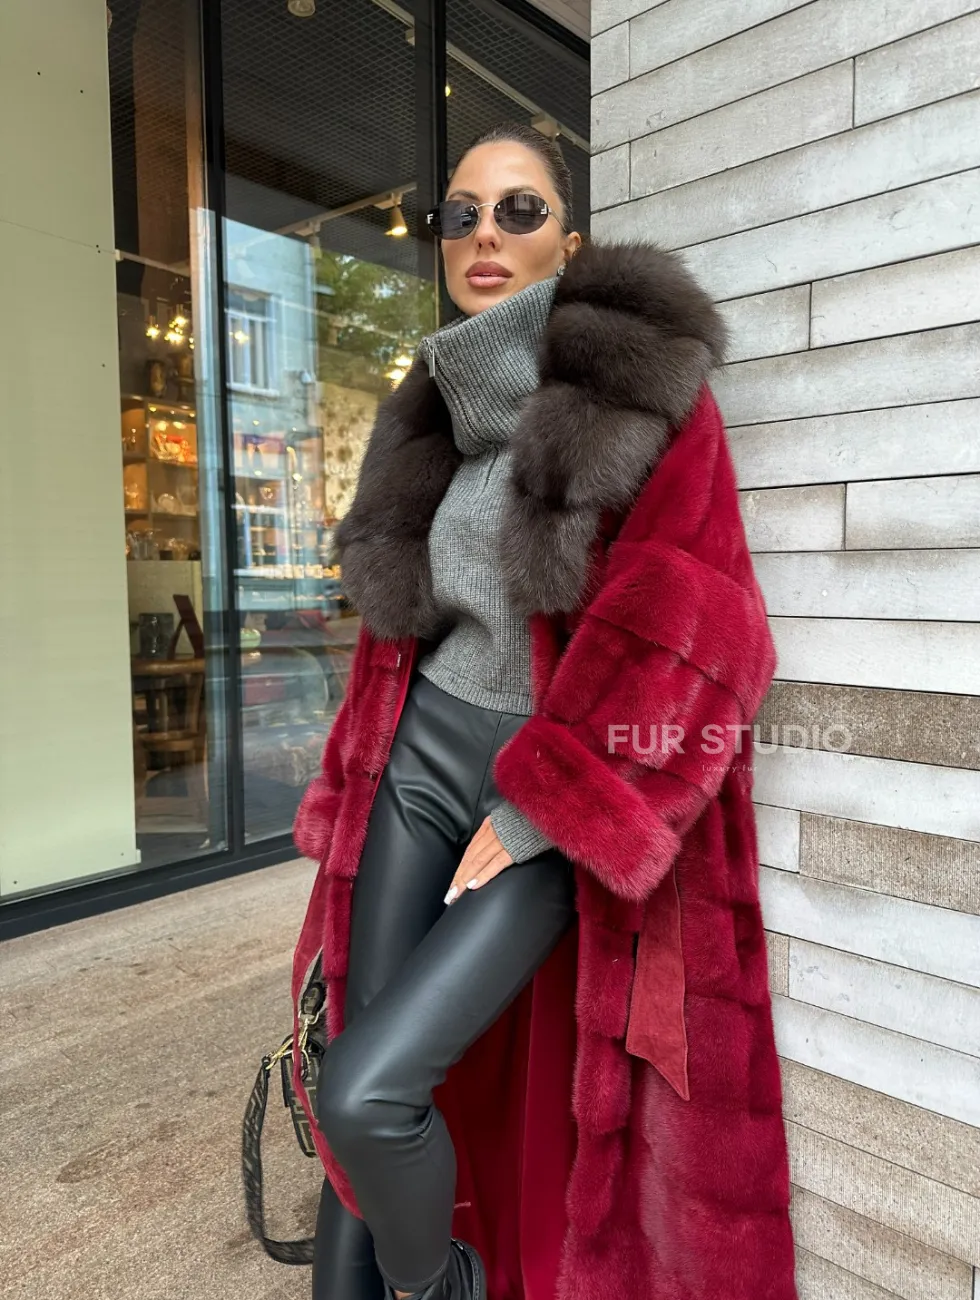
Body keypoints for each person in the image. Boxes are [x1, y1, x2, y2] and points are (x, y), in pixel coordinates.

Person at [290, 121, 798, 1300]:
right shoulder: (425, 412)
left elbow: (708, 633)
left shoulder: (639, 382)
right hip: (417, 762)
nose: (484, 233)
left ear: (566, 241)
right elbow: (396, 639)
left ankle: (447, 1285)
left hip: (547, 786)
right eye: (458, 213)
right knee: (346, 1085)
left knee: (372, 1092)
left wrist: (541, 814)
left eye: (517, 210)